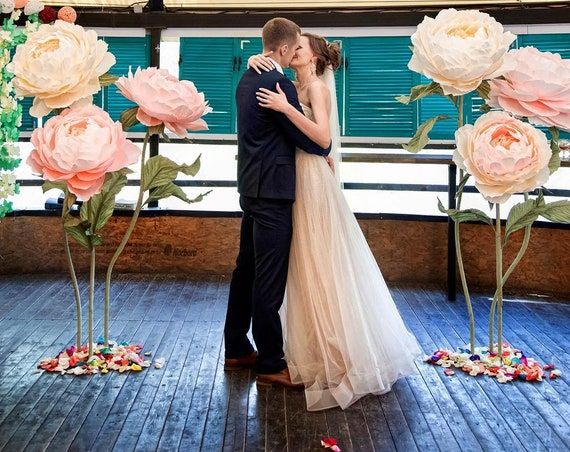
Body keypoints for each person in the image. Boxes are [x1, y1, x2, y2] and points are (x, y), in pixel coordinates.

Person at [249, 32, 421, 411]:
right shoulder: (292, 84)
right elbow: (268, 67)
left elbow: (323, 139)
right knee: (304, 264)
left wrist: (286, 108)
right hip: (294, 179)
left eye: (300, 47)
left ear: (313, 58)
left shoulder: (316, 92)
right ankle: (308, 346)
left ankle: (336, 348)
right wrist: (253, 62)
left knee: (322, 261)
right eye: (291, 46)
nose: (293, 49)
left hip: (311, 178)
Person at [223, 18, 331, 389]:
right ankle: (271, 362)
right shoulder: (277, 82)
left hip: (251, 188)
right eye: (294, 46)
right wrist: (294, 113)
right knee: (268, 280)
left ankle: (237, 346)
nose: (296, 51)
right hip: (273, 193)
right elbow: (316, 144)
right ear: (284, 50)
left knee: (246, 272)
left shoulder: (248, 76)